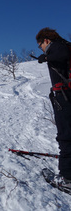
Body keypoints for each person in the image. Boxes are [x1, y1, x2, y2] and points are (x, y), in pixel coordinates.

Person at [36, 27, 71, 189]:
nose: (41, 49)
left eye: (40, 45)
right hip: (66, 95)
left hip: (64, 98)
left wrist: (47, 57)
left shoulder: (57, 47)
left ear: (46, 40)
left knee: (66, 135)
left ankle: (66, 178)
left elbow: (60, 54)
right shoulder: (66, 45)